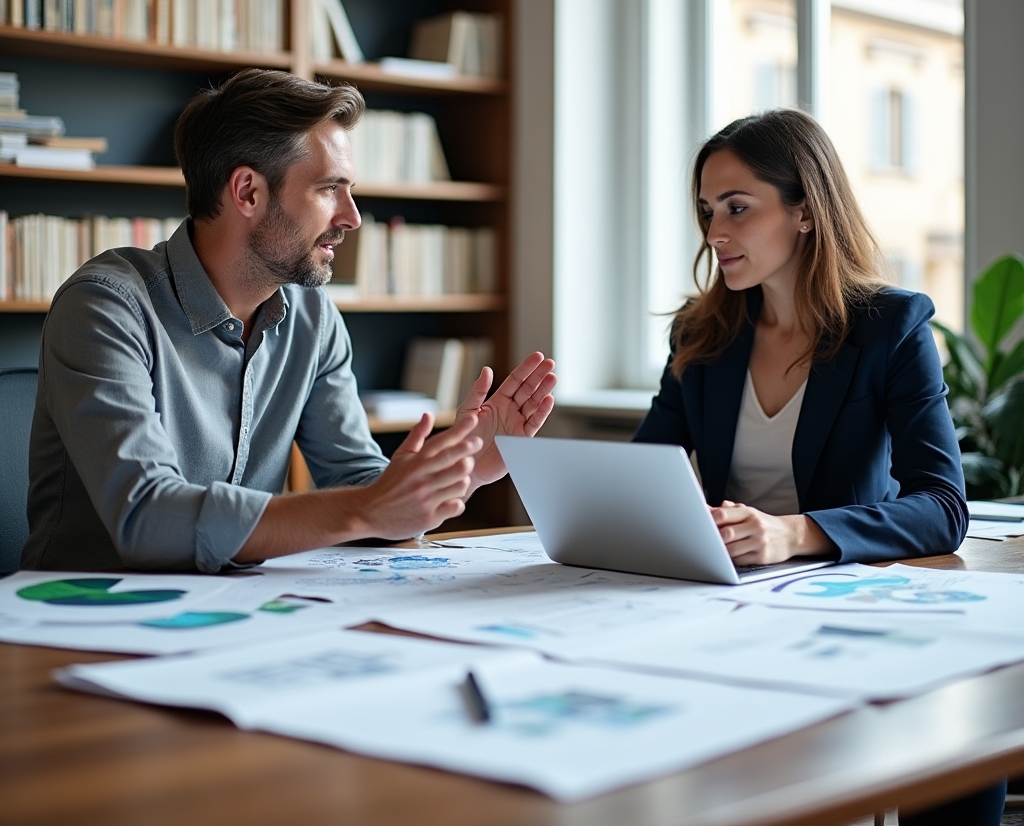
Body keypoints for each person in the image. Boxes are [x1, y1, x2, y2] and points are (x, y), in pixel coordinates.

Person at [22, 69, 556, 574]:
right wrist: (368, 507)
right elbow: (146, 518)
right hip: (80, 624)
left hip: (237, 619)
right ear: (248, 192)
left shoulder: (313, 318)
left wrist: (460, 469)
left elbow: (362, 488)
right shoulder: (105, 306)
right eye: (329, 189)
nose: (352, 217)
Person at [633, 108, 1000, 826]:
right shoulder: (700, 332)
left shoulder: (890, 327)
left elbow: (943, 507)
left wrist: (793, 533)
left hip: (843, 609)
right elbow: (647, 479)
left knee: (953, 728)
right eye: (708, 211)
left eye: (738, 208)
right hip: (718, 609)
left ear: (804, 210)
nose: (715, 233)